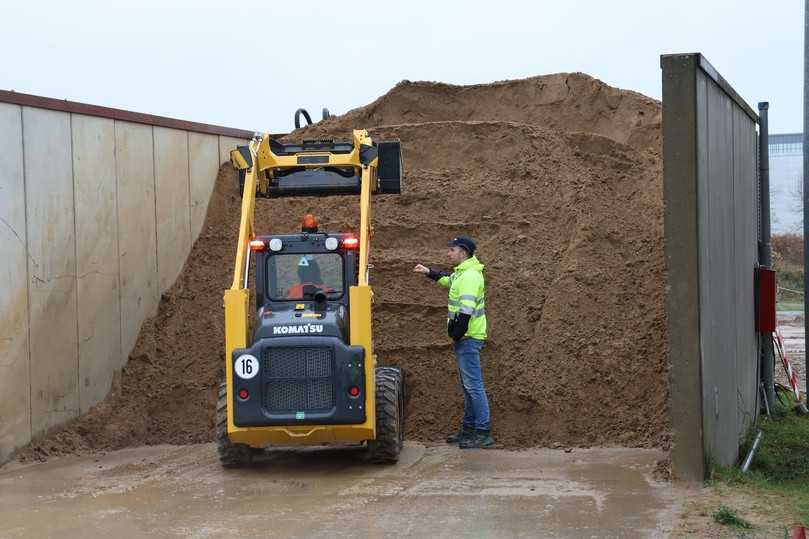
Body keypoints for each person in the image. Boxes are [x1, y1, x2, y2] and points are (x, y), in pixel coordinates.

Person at [413, 236, 494, 449]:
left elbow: (466, 310)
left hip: (468, 337)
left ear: (463, 252)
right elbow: (450, 282)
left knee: (474, 386)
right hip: (465, 338)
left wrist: (457, 333)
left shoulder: (469, 276)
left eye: (452, 250)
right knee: (468, 387)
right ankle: (469, 430)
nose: (448, 253)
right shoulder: (462, 274)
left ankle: (483, 432)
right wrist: (430, 273)